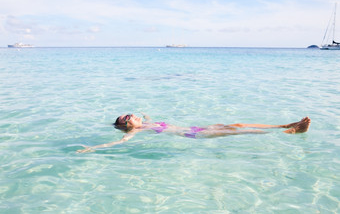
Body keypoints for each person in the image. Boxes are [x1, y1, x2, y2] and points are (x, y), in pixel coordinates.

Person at [77, 113, 311, 153]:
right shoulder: (136, 133)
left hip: (198, 128)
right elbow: (120, 142)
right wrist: (93, 148)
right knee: (237, 133)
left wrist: (146, 115)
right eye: (129, 118)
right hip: (196, 135)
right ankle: (289, 132)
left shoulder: (146, 123)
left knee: (238, 124)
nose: (133, 116)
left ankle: (281, 126)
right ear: (128, 125)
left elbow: (148, 118)